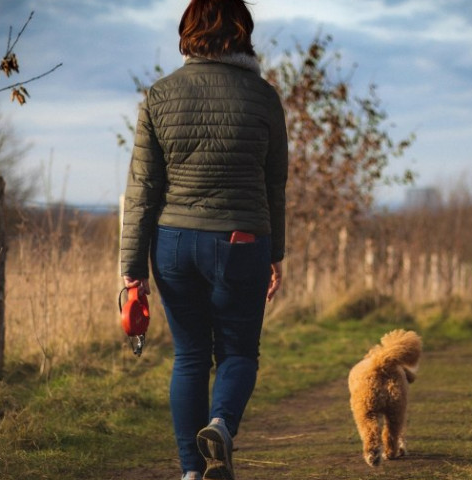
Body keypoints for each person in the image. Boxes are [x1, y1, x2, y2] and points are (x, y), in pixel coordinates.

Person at [119, 0, 288, 478]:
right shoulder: (263, 97)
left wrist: (132, 268)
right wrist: (276, 253)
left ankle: (192, 472)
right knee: (237, 353)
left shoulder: (160, 95)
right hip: (240, 241)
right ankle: (220, 425)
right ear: (243, 32)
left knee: (189, 356)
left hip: (173, 244)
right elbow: (275, 183)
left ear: (188, 33)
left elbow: (142, 188)